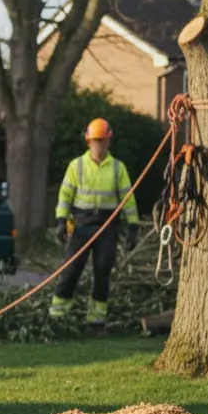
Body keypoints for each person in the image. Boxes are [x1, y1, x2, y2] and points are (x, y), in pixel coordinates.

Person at [50, 118, 140, 331]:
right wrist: (62, 220)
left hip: (107, 226)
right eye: (95, 141)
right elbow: (65, 195)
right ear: (88, 142)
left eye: (102, 141)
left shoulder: (118, 168)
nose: (99, 145)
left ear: (109, 141)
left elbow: (128, 199)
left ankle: (96, 320)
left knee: (102, 271)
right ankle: (57, 317)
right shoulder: (77, 166)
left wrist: (133, 227)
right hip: (80, 225)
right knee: (71, 269)